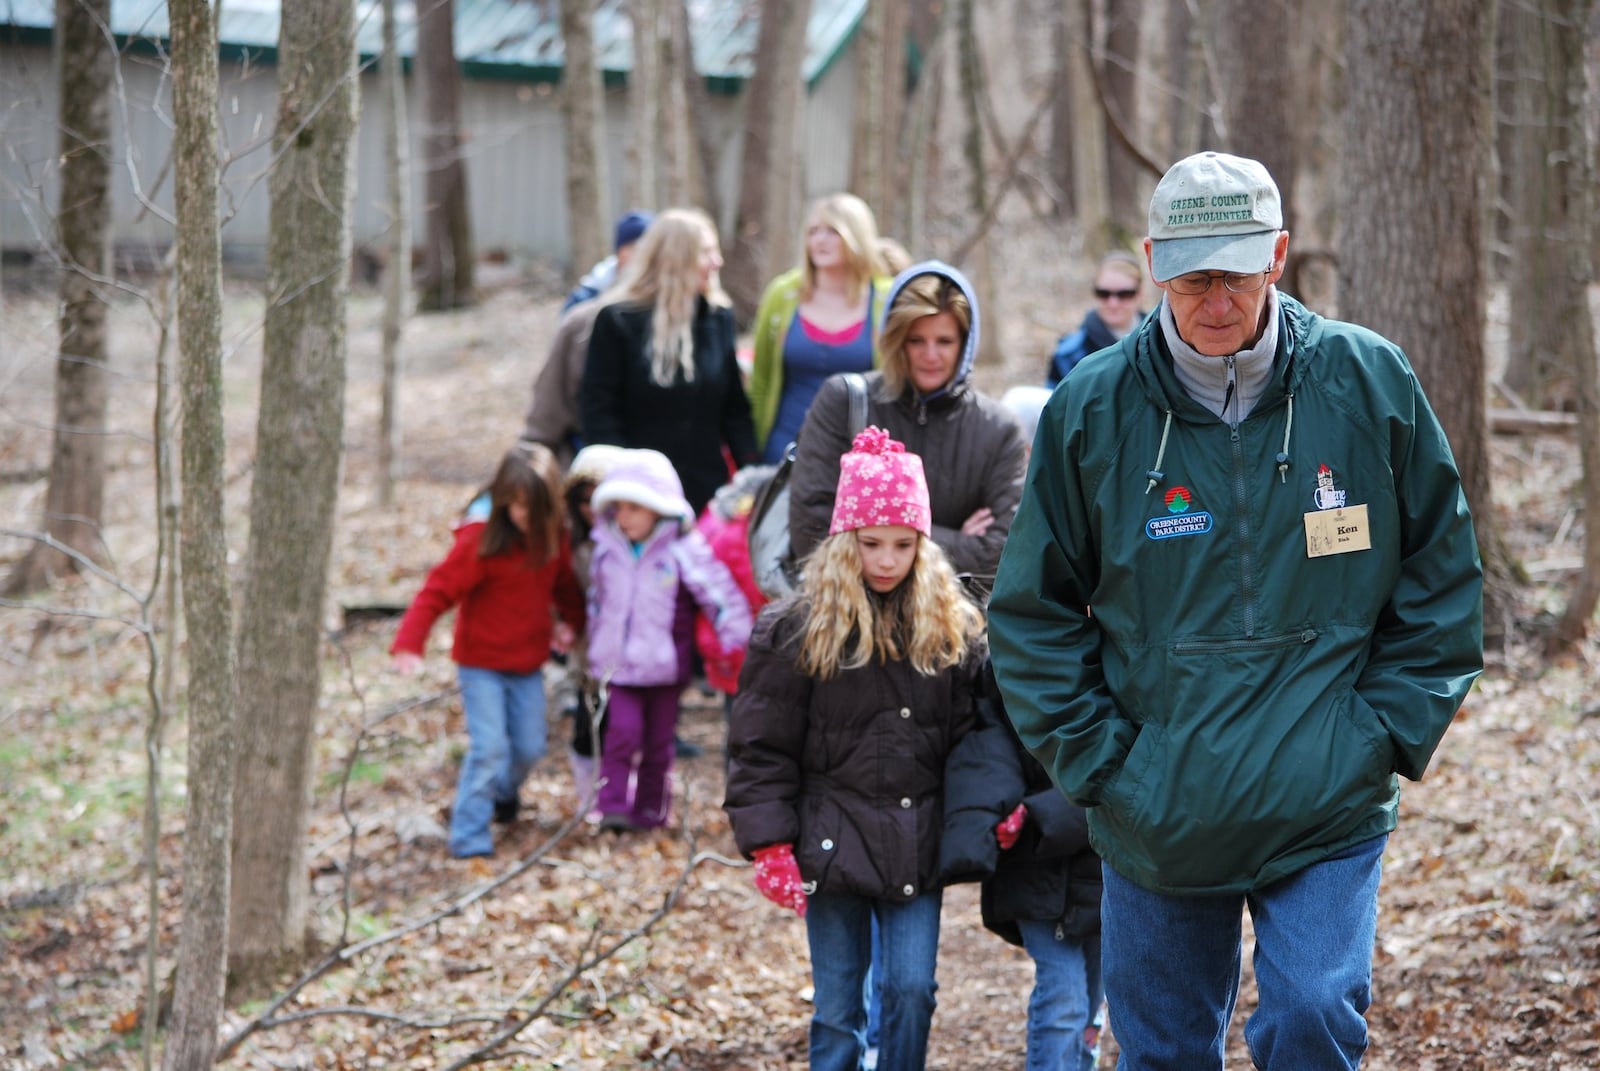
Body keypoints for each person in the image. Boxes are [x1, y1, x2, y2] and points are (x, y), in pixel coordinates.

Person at [987, 150, 1484, 1070]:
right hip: (1158, 805)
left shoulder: (1367, 382)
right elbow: (1032, 614)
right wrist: (1108, 765)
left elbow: (1442, 574)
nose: (1217, 299)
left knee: (1313, 1017)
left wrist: (1380, 732)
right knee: (1164, 1050)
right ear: (1152, 265)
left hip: (1327, 790)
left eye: (1237, 273)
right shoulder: (1092, 410)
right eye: (1193, 277)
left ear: (1280, 257)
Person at [725, 426, 986, 1071]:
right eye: (872, 545)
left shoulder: (949, 627)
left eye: (904, 545)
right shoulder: (797, 629)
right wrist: (769, 842)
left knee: (911, 990)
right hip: (830, 837)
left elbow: (977, 733)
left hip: (914, 839)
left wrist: (987, 809)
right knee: (838, 1009)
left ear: (924, 547)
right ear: (846, 542)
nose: (888, 560)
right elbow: (761, 743)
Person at [390, 441, 587, 858]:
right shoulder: (482, 541)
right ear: (502, 504)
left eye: (534, 509)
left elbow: (565, 586)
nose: (525, 519)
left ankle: (502, 794)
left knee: (531, 746)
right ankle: (469, 835)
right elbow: (437, 591)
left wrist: (571, 623)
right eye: (517, 508)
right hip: (480, 665)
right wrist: (410, 642)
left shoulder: (553, 540)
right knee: (489, 746)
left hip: (527, 663)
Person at [787, 261, 1028, 592]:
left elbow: (1005, 553)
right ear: (896, 340)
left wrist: (870, 530)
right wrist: (954, 538)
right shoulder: (844, 402)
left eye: (944, 341)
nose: (931, 355)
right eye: (917, 340)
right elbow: (811, 525)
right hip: (848, 610)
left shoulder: (999, 429)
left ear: (965, 343)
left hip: (950, 621)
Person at [585, 448, 752, 832]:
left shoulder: (681, 548)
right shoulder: (606, 548)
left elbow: (716, 590)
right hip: (618, 665)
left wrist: (736, 636)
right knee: (621, 734)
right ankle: (611, 808)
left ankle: (651, 811)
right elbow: (597, 602)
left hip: (664, 666)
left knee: (660, 743)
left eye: (634, 508)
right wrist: (591, 650)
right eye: (619, 507)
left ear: (658, 508)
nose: (624, 517)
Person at [579, 206, 758, 516]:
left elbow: (734, 410)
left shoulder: (718, 317)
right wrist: (625, 492)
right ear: (676, 258)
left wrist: (755, 477)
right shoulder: (618, 321)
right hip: (639, 501)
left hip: (706, 495)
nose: (718, 262)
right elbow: (599, 415)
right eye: (706, 253)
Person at [747, 193, 892, 464]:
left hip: (859, 456)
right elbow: (761, 380)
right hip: (784, 449)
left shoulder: (886, 299)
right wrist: (753, 450)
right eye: (813, 231)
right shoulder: (782, 295)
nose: (819, 240)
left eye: (832, 231)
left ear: (856, 236)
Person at [526, 212, 658, 465]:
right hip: (589, 458)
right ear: (622, 253)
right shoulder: (582, 317)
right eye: (639, 249)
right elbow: (552, 396)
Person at [556, 443, 628, 811]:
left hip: (632, 655)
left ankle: (619, 799)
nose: (591, 508)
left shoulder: (632, 541)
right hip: (588, 657)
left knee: (625, 730)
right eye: (584, 499)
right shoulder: (569, 543)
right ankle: (590, 801)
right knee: (588, 728)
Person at [1046, 248, 1149, 387]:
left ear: (1140, 293)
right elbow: (1055, 404)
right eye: (1103, 293)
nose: (1113, 303)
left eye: (1124, 294)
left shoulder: (1162, 341)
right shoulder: (1068, 354)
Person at [563, 209, 654, 312]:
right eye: (632, 247)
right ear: (619, 251)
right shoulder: (590, 292)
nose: (639, 254)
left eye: (646, 249)